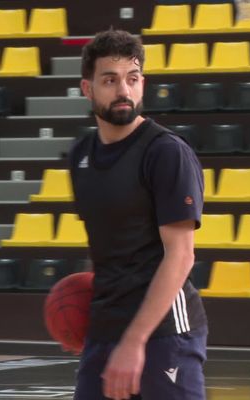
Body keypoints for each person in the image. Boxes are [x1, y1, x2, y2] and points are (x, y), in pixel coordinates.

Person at [69, 29, 208, 400]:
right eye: (110, 80)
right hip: (104, 330)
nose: (123, 91)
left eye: (132, 79)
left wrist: (135, 340)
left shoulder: (165, 152)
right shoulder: (80, 156)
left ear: (142, 84)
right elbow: (106, 246)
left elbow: (180, 255)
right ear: (88, 88)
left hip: (165, 332)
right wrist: (82, 317)